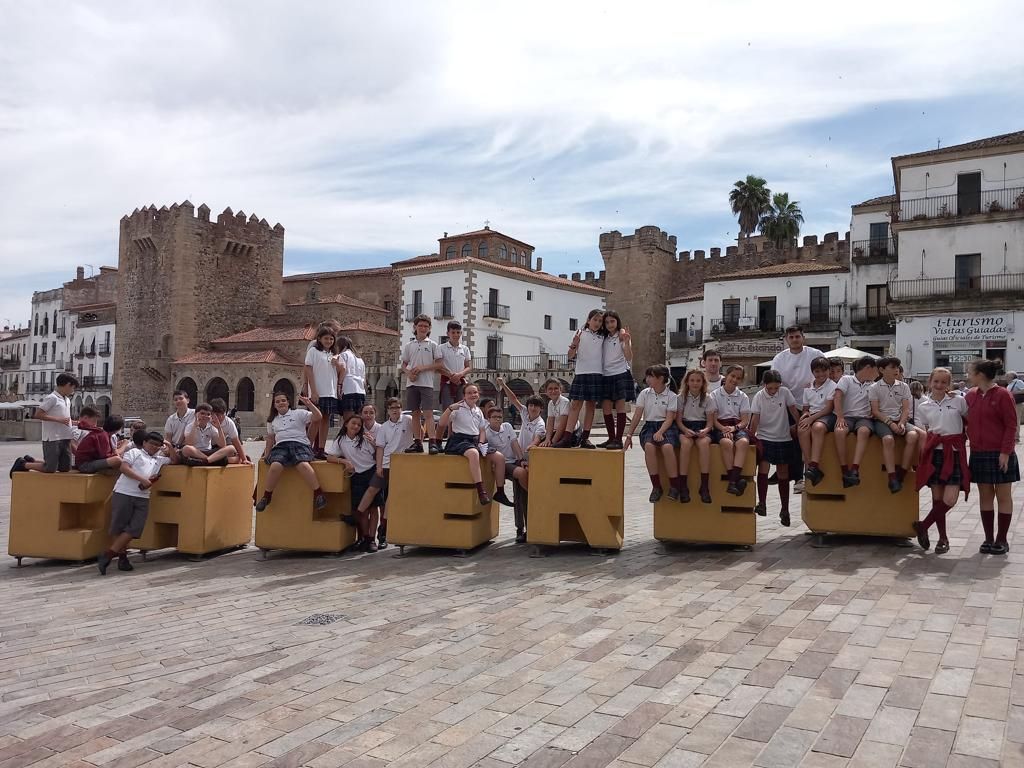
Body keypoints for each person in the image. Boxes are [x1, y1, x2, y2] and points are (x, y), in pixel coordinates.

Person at [97, 431, 175, 575]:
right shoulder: (134, 452)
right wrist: (142, 480)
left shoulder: (159, 459)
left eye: (157, 445)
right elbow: (124, 468)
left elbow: (175, 460)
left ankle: (108, 554)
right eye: (152, 444)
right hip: (124, 492)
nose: (154, 447)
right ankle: (122, 557)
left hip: (143, 496)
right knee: (119, 527)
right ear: (144, 442)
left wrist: (169, 446)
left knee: (135, 528)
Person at [914, 367, 970, 555]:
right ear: (930, 382)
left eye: (944, 382)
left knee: (950, 499)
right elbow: (926, 429)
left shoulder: (959, 400)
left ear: (949, 384)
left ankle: (923, 525)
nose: (939, 385)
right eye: (936, 381)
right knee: (937, 499)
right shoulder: (923, 406)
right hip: (935, 453)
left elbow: (968, 420)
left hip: (954, 452)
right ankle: (943, 539)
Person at [966, 359, 1019, 555]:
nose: (968, 376)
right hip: (979, 452)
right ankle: (988, 538)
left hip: (1000, 453)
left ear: (979, 374)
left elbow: (1011, 425)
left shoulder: (1003, 394)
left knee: (1003, 496)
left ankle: (1002, 539)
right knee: (985, 495)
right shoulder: (970, 395)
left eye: (970, 372)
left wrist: (1005, 452)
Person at [770, 326, 823, 494]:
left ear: (803, 337)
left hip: (812, 404)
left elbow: (823, 373)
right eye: (791, 337)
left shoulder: (815, 354)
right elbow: (775, 380)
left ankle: (802, 476)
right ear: (786, 339)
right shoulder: (779, 358)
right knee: (785, 439)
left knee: (802, 438)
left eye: (797, 336)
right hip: (787, 404)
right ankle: (787, 472)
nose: (794, 339)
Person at [255, 392, 325, 512]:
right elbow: (270, 439)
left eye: (283, 400)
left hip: (299, 444)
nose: (280, 403)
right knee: (275, 466)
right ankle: (267, 496)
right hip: (281, 446)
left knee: (303, 465)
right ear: (274, 405)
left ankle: (319, 494)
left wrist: (309, 404)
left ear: (288, 402)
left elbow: (318, 417)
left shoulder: (298, 413)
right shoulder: (272, 420)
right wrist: (267, 454)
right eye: (277, 401)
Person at [749, 370, 800, 526]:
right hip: (764, 436)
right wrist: (752, 436)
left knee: (783, 472)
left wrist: (799, 424)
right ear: (764, 385)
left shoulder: (784, 393)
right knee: (763, 469)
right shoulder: (758, 396)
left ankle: (785, 509)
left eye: (775, 388)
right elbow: (755, 419)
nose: (773, 391)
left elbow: (792, 409)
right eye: (770, 388)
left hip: (783, 436)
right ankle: (762, 503)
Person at [497, 377, 546, 542]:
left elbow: (537, 440)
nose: (532, 408)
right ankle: (520, 529)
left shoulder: (540, 424)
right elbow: (513, 399)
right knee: (518, 496)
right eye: (531, 405)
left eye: (535, 406)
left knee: (528, 497)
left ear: (540, 409)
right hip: (519, 461)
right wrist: (503, 385)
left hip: (530, 462)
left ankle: (531, 528)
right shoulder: (525, 414)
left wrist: (527, 453)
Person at [624, 365, 681, 503]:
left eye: (651, 376)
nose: (648, 379)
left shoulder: (672, 396)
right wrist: (629, 435)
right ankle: (656, 486)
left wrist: (661, 432)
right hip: (649, 425)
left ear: (661, 378)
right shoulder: (645, 393)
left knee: (667, 447)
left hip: (666, 426)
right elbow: (637, 415)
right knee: (649, 447)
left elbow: (670, 418)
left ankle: (674, 485)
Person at [327, 414, 383, 552]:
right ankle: (364, 537)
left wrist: (374, 444)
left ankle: (372, 539)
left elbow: (376, 453)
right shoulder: (340, 440)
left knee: (373, 508)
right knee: (362, 510)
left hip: (370, 471)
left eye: (359, 425)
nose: (356, 427)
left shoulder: (364, 438)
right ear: (346, 424)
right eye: (353, 423)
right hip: (356, 475)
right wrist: (345, 461)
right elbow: (330, 457)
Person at [554, 310, 605, 448]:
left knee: (591, 407)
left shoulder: (603, 336)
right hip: (582, 372)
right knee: (575, 405)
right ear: (588, 320)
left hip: (597, 373)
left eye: (600, 321)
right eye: (595, 320)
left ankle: (585, 438)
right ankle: (567, 437)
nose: (597, 323)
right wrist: (574, 344)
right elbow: (570, 356)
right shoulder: (579, 333)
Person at [11, 373, 79, 476]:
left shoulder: (67, 400)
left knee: (65, 467)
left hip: (65, 437)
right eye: (72, 387)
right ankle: (24, 464)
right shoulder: (52, 398)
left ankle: (32, 460)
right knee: (50, 468)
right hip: (52, 437)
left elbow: (63, 417)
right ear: (67, 385)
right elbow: (38, 414)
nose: (72, 391)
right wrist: (59, 420)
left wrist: (72, 422)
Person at [869, 356, 919, 493]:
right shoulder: (874, 387)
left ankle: (902, 472)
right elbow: (875, 411)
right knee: (888, 439)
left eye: (897, 367)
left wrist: (902, 423)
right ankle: (892, 477)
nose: (896, 370)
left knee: (913, 436)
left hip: (900, 419)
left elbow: (906, 409)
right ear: (881, 370)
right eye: (892, 367)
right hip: (882, 420)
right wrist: (891, 424)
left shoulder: (903, 386)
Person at [436, 384, 492, 505]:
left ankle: (500, 490)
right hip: (460, 440)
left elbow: (482, 430)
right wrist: (450, 409)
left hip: (475, 440)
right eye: (469, 393)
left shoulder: (478, 411)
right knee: (473, 453)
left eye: (475, 392)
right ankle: (481, 490)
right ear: (464, 395)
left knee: (497, 456)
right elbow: (442, 423)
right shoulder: (458, 408)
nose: (473, 395)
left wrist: (481, 442)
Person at [833, 356, 878, 488]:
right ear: (868, 368)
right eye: (875, 370)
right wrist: (840, 417)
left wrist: (873, 411)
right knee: (839, 431)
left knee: (863, 431)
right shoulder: (847, 379)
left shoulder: (873, 385)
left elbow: (876, 402)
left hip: (864, 418)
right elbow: (837, 397)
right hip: (847, 416)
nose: (877, 374)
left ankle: (855, 469)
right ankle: (844, 468)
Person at [401, 314, 443, 454]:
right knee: (415, 413)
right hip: (412, 383)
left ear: (429, 328)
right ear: (415, 327)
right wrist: (409, 373)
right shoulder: (409, 345)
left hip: (426, 383)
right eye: (420, 325)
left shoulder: (432, 345)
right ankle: (417, 442)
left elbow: (439, 364)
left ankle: (432, 442)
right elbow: (404, 364)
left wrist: (422, 368)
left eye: (426, 326)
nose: (423, 328)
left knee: (428, 413)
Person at [375, 397, 414, 547]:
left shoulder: (408, 420)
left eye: (398, 407)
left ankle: (385, 529)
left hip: (404, 464)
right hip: (387, 464)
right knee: (384, 499)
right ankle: (383, 530)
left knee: (395, 497)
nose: (395, 410)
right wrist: (379, 466)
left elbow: (420, 432)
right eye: (392, 408)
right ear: (388, 410)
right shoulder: (384, 427)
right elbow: (380, 448)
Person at [708, 365, 751, 496]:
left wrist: (734, 428)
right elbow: (714, 419)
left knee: (743, 442)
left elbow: (745, 421)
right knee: (726, 443)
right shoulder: (714, 395)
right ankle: (736, 480)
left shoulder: (743, 396)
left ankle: (732, 482)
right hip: (721, 425)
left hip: (736, 426)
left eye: (738, 378)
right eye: (732, 376)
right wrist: (723, 429)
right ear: (726, 376)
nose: (734, 380)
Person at [304, 325, 343, 457]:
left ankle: (321, 448)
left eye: (331, 339)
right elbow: (308, 369)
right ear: (320, 339)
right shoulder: (313, 352)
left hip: (330, 391)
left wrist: (337, 364)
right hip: (318, 391)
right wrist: (313, 391)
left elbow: (339, 372)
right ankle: (307, 447)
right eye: (326, 338)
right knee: (315, 419)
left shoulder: (333, 354)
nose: (329, 341)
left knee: (326, 419)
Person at [676, 369, 713, 504]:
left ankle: (704, 486)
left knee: (703, 445)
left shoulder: (708, 398)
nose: (695, 383)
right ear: (687, 382)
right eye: (692, 380)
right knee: (685, 445)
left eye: (698, 380)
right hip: (685, 426)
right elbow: (678, 421)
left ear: (703, 382)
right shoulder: (680, 397)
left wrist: (705, 430)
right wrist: (685, 430)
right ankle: (683, 486)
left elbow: (710, 422)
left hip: (702, 426)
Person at [799, 357, 837, 486]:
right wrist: (805, 415)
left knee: (818, 428)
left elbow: (829, 408)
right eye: (817, 371)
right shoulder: (808, 387)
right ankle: (811, 467)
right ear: (813, 372)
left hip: (827, 415)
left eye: (824, 371)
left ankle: (814, 465)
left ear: (828, 371)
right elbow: (805, 408)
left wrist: (811, 418)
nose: (821, 374)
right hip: (813, 414)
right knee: (802, 428)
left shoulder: (832, 386)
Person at [598, 311, 633, 449]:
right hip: (605, 375)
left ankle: (618, 439)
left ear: (617, 322)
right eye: (607, 322)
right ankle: (611, 438)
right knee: (606, 408)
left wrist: (627, 342)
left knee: (620, 407)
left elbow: (629, 356)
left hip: (620, 373)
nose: (609, 325)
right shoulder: (603, 338)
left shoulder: (622, 336)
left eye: (612, 321)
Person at [482, 407, 517, 507]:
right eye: (494, 417)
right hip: (500, 464)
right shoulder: (486, 432)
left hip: (512, 460)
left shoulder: (507, 426)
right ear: (488, 419)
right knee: (520, 473)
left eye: (500, 417)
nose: (497, 419)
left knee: (524, 473)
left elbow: (515, 444)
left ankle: (527, 499)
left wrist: (520, 458)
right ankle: (501, 493)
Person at [73, 409, 123, 475]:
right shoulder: (102, 435)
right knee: (117, 460)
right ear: (117, 429)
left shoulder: (103, 434)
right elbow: (105, 456)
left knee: (119, 460)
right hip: (84, 465)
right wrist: (124, 445)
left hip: (90, 462)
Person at [438, 320, 472, 415]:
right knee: (447, 408)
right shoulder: (441, 348)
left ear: (461, 333)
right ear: (448, 333)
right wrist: (451, 376)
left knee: (462, 408)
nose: (455, 335)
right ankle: (447, 429)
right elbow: (438, 367)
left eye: (458, 332)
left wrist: (459, 375)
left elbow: (468, 367)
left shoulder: (465, 349)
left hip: (461, 382)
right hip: (447, 382)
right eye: (453, 332)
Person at [210, 398, 251, 465]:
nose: (219, 417)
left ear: (225, 413)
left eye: (222, 414)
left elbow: (236, 441)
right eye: (216, 414)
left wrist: (244, 459)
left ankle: (216, 460)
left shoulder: (229, 423)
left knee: (231, 450)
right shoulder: (207, 421)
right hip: (209, 447)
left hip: (222, 448)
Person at [337, 336, 367, 422]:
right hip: (360, 390)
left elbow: (342, 370)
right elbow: (364, 378)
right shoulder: (360, 359)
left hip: (348, 389)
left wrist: (339, 385)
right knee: (358, 419)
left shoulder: (343, 355)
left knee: (348, 419)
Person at [164, 390, 196, 455]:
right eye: (176, 400)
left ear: (187, 400)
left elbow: (186, 433)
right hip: (174, 446)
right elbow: (168, 437)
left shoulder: (194, 414)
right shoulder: (171, 419)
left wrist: (177, 447)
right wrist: (167, 448)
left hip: (187, 446)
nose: (178, 401)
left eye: (181, 398)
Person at [540, 378, 570, 447]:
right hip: (558, 431)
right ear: (546, 391)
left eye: (556, 388)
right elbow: (550, 423)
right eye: (550, 389)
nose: (553, 391)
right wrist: (547, 439)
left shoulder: (565, 402)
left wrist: (553, 442)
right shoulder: (550, 403)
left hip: (569, 432)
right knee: (542, 442)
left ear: (560, 390)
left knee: (554, 445)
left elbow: (563, 424)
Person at [1006, 371, 1024, 445]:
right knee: (1012, 420)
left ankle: (1016, 438)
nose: (1006, 377)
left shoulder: (1018, 381)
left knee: (1016, 419)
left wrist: (1012, 393)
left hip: (1017, 403)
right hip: (1011, 403)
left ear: (1012, 376)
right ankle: (1013, 437)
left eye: (1007, 376)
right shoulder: (1010, 384)